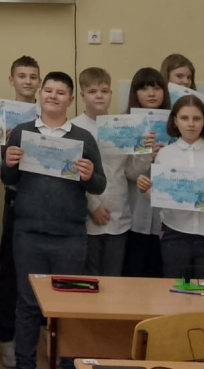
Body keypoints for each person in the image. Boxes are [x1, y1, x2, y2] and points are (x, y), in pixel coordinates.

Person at [3, 71, 105, 369]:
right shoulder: (22, 132)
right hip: (28, 233)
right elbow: (8, 179)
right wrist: (8, 163)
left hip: (70, 236)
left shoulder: (83, 138)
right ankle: (25, 364)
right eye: (48, 90)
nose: (53, 96)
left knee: (68, 305)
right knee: (27, 304)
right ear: (40, 94)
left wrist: (89, 175)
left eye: (60, 93)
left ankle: (67, 363)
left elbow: (99, 185)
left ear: (70, 99)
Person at [137, 95, 204, 280]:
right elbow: (157, 196)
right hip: (175, 233)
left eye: (196, 118)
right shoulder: (165, 154)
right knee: (175, 289)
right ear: (175, 121)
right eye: (184, 118)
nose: (191, 124)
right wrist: (145, 189)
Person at [0, 55, 41, 367]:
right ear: (11, 80)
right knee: (10, 271)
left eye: (32, 76)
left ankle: (37, 337)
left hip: (47, 203)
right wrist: (3, 143)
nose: (27, 81)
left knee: (40, 275)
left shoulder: (50, 113)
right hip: (16, 199)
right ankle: (8, 338)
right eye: (21, 76)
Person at [71, 67, 132, 276]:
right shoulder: (73, 128)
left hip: (118, 214)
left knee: (114, 278)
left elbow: (131, 172)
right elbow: (71, 175)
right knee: (90, 279)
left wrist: (145, 152)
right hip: (87, 217)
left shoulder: (123, 127)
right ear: (82, 95)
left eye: (104, 91)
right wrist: (93, 205)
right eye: (92, 91)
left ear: (111, 94)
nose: (99, 96)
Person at [123, 67, 170, 278]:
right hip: (135, 214)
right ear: (135, 93)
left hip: (166, 217)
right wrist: (148, 156)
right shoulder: (126, 124)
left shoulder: (177, 123)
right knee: (134, 273)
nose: (151, 93)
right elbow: (129, 173)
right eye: (144, 88)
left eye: (157, 88)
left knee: (160, 275)